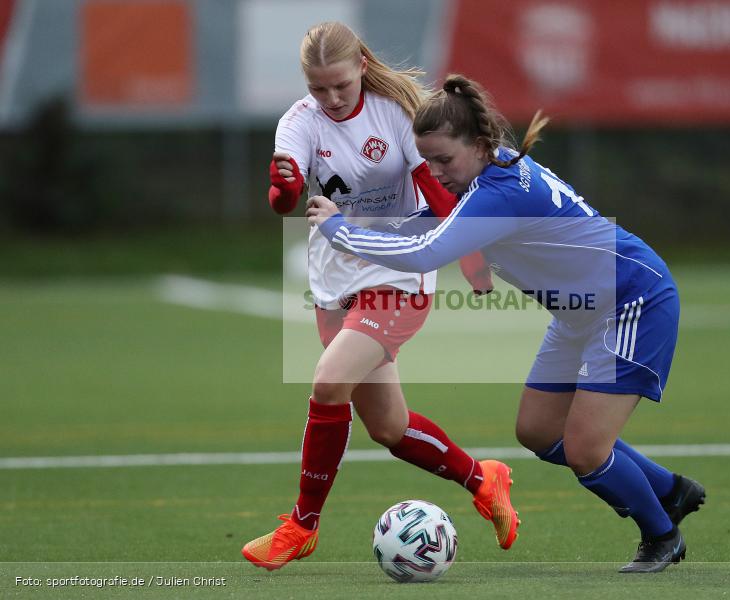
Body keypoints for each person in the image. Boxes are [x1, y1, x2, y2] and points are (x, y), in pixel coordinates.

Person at [307, 74, 706, 573]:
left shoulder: (496, 193)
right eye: (426, 160)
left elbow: (428, 249)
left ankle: (662, 535)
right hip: (581, 308)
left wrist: (339, 230)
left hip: (630, 298)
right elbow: (427, 220)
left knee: (585, 449)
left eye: (443, 160)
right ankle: (669, 490)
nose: (435, 171)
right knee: (538, 430)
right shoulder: (487, 175)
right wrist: (356, 222)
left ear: (478, 144)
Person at [242, 24, 519, 572]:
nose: (332, 98)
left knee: (326, 381)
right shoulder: (297, 124)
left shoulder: (394, 113)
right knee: (389, 429)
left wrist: (465, 250)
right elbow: (285, 201)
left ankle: (301, 525)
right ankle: (482, 479)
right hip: (334, 282)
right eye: (319, 89)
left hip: (398, 275)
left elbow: (438, 191)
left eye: (340, 85)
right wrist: (284, 187)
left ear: (361, 68)